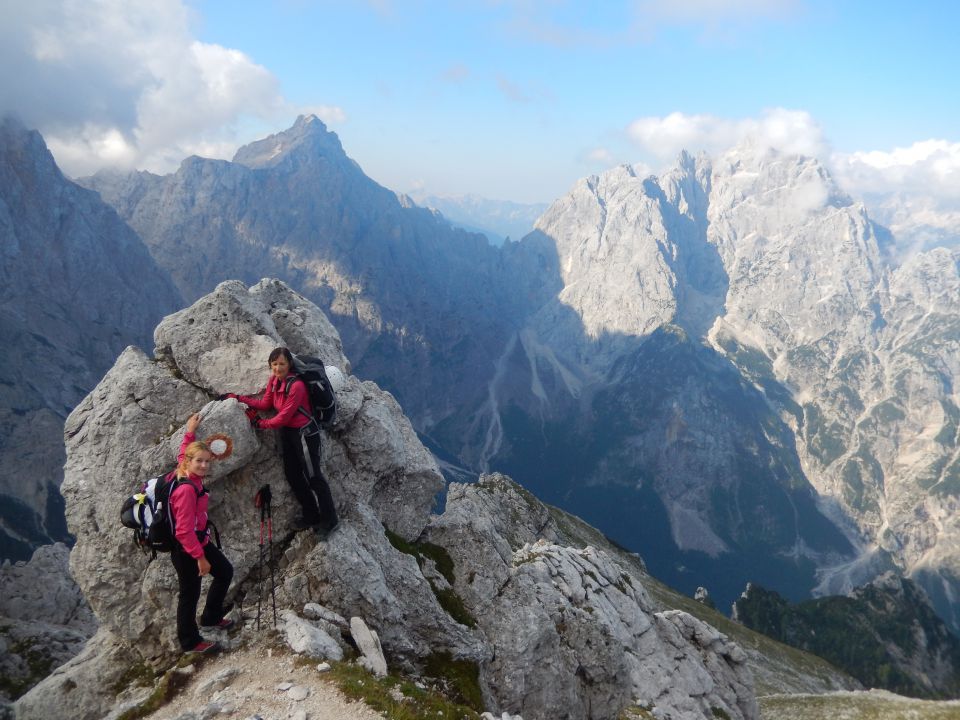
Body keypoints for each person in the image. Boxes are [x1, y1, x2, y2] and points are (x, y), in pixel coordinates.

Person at [237, 347, 339, 536]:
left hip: (305, 434)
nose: (277, 368)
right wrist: (237, 398)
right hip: (288, 433)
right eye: (274, 364)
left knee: (314, 477)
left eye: (281, 364)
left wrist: (259, 423)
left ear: (289, 364)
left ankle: (330, 520)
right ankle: (311, 515)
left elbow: (282, 417)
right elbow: (265, 404)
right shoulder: (274, 381)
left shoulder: (297, 386)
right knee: (292, 474)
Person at [169, 412, 234, 655]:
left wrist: (190, 431)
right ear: (189, 462)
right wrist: (200, 557)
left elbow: (183, 451)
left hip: (198, 540)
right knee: (190, 594)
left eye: (207, 461)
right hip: (187, 548)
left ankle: (211, 618)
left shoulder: (185, 472)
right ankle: (190, 642)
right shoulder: (186, 490)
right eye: (200, 461)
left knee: (225, 572)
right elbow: (183, 531)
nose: (204, 465)